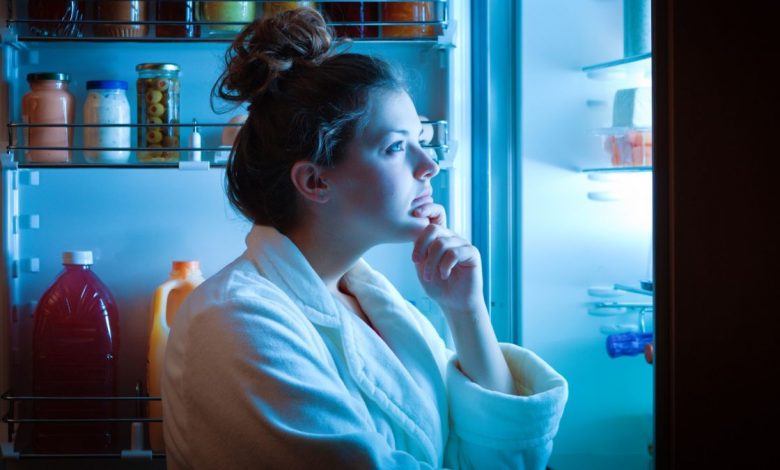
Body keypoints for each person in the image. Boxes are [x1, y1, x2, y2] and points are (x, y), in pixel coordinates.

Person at [162, 8, 567, 470]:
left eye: (422, 140)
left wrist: (465, 311)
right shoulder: (236, 322)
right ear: (315, 182)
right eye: (396, 147)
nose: (428, 165)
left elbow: (489, 455)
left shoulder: (369, 300)